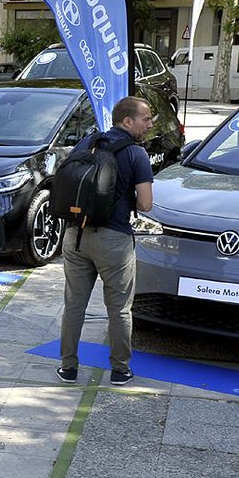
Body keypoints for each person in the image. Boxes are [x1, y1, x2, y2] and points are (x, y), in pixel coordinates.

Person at [56, 96, 155, 386]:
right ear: (128, 121)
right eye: (146, 119)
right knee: (119, 309)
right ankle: (120, 369)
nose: (149, 125)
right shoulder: (136, 154)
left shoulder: (88, 142)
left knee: (74, 305)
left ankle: (68, 367)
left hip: (75, 235)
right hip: (114, 242)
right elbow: (146, 204)